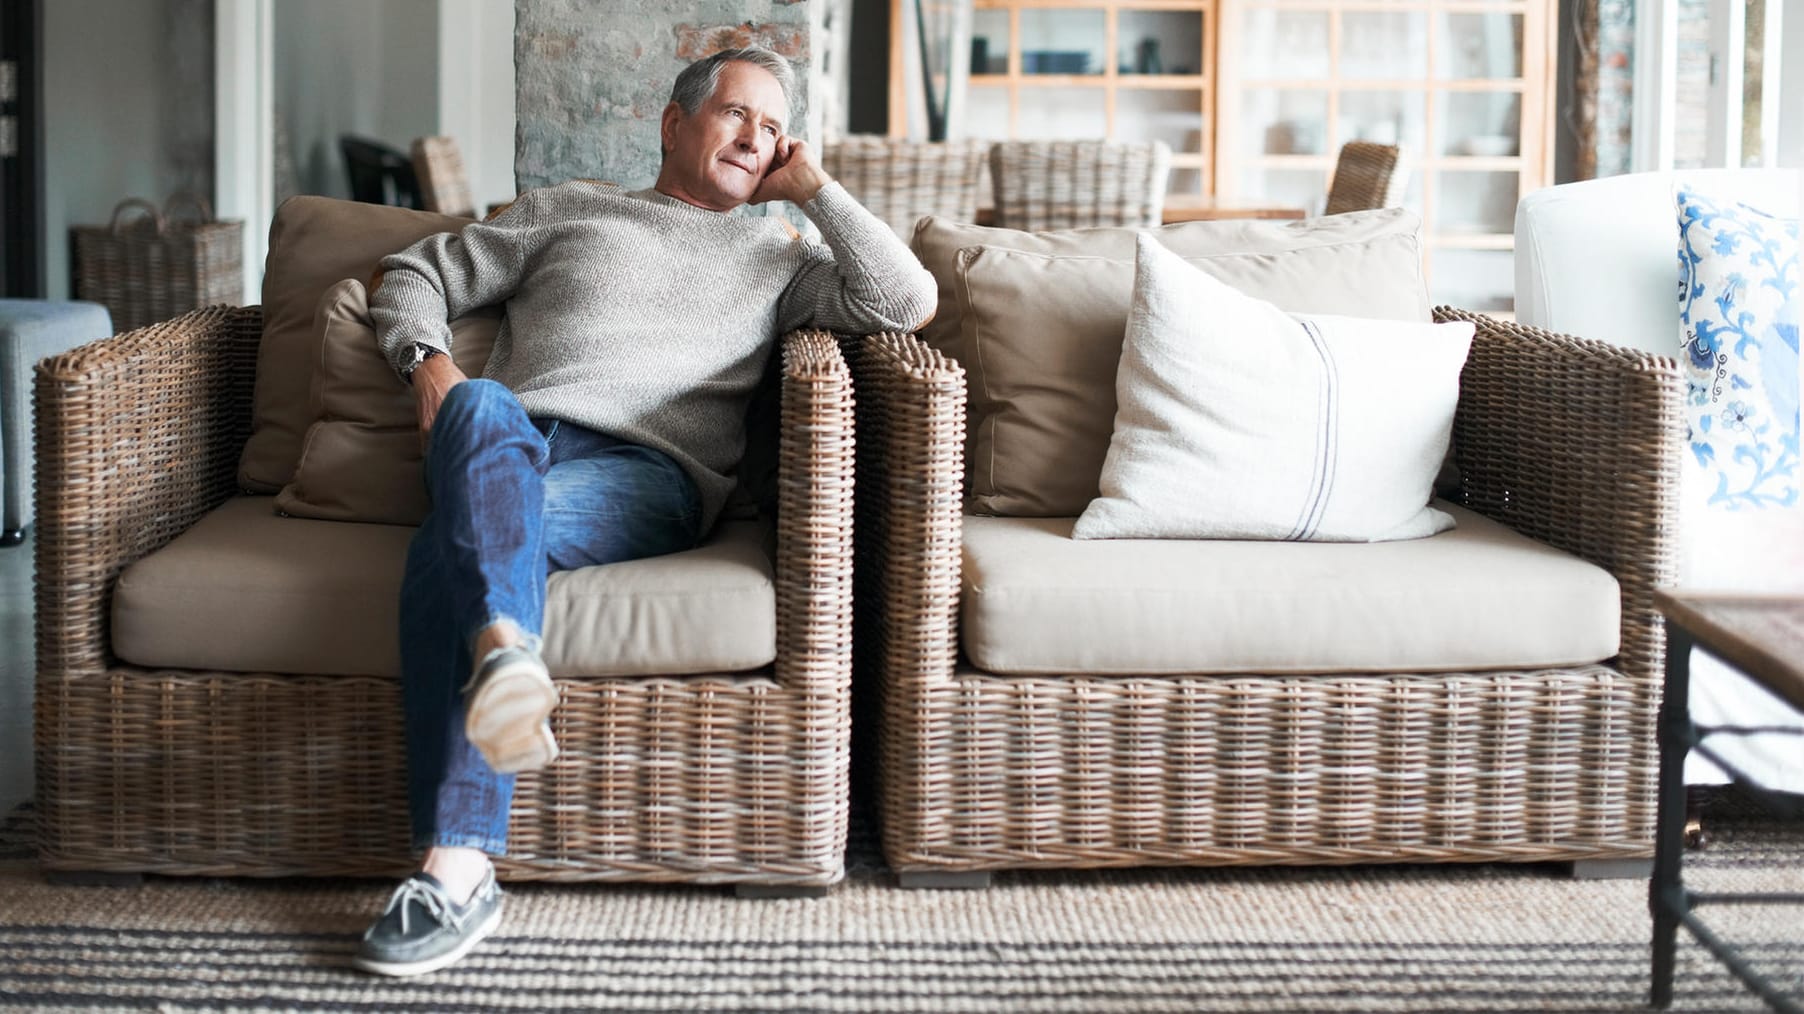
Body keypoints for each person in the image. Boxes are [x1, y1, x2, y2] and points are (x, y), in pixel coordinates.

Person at [351, 46, 935, 977]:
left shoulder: (782, 258)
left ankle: (454, 867)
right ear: (674, 123)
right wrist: (427, 363)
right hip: (503, 445)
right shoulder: (566, 208)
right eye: (738, 114)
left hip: (647, 473)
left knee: (443, 552)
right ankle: (503, 659)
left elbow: (905, 300)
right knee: (475, 404)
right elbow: (413, 273)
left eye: (774, 128)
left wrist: (815, 190)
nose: (758, 138)